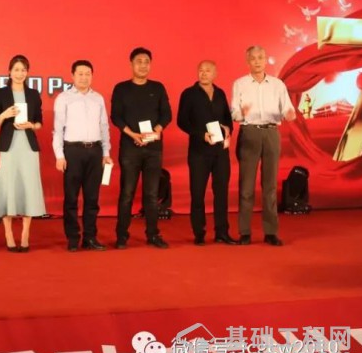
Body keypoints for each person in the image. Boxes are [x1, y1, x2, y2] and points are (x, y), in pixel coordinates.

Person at [231, 45, 296, 246]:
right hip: (249, 132)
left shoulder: (277, 84)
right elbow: (234, 113)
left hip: (271, 133)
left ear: (266, 59)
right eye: (253, 58)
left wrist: (289, 114)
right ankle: (244, 232)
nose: (257, 61)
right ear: (247, 61)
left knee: (270, 186)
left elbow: (287, 109)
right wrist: (242, 112)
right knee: (246, 186)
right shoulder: (240, 84)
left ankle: (270, 232)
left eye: (260, 57)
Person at [111, 47, 172, 249]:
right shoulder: (121, 88)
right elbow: (116, 116)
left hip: (153, 149)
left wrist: (156, 130)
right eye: (139, 61)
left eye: (146, 62)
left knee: (151, 195)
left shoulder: (158, 87)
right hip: (130, 149)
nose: (143, 65)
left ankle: (153, 234)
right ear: (131, 64)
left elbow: (166, 114)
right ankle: (122, 235)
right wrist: (133, 135)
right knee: (127, 193)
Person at [53, 60, 112, 252]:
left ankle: (90, 237)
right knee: (71, 198)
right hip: (73, 151)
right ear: (72, 75)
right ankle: (72, 238)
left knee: (92, 198)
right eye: (80, 74)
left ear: (92, 76)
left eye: (88, 74)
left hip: (95, 151)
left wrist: (106, 153)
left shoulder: (98, 98)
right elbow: (58, 129)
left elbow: (104, 127)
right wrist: (59, 155)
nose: (84, 77)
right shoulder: (64, 98)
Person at [176, 60, 237, 246]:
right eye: (201, 70)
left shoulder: (220, 93)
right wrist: (201, 134)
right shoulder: (189, 94)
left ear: (215, 74)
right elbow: (182, 121)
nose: (204, 73)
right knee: (197, 193)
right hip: (198, 152)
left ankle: (222, 232)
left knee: (221, 192)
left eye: (208, 70)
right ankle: (199, 232)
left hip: (220, 151)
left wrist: (228, 129)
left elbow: (227, 118)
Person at [0, 55, 46, 252]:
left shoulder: (33, 94)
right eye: (16, 70)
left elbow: (39, 122)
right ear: (9, 72)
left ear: (27, 73)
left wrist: (31, 125)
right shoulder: (0, 93)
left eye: (23, 70)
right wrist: (5, 115)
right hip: (9, 147)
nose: (20, 74)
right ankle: (8, 234)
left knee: (28, 188)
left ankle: (25, 234)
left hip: (28, 147)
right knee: (9, 188)